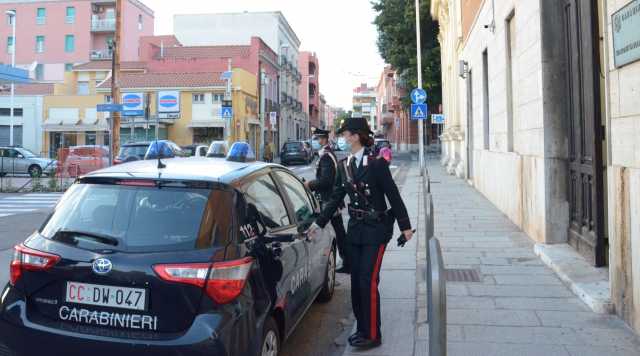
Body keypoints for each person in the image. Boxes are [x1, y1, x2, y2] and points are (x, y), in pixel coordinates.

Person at [308, 117, 413, 349]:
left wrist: (405, 227)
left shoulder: (376, 164)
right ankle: (363, 328)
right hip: (355, 230)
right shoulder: (346, 165)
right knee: (356, 281)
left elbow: (393, 196)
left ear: (356, 136)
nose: (343, 139)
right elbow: (337, 196)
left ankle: (373, 334)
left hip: (376, 231)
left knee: (368, 280)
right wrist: (319, 223)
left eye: (345, 135)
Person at [304, 127, 349, 273]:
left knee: (335, 231)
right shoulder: (326, 154)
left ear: (323, 139)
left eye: (317, 139)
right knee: (338, 230)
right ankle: (348, 260)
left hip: (329, 200)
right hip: (330, 199)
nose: (315, 141)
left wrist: (309, 184)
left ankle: (346, 260)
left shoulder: (326, 157)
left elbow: (326, 181)